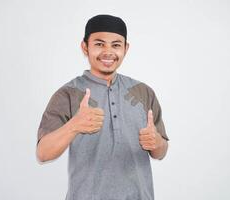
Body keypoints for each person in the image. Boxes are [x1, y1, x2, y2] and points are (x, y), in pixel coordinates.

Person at [36, 14, 169, 200]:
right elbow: (43, 153)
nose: (108, 51)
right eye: (99, 44)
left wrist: (157, 142)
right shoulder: (68, 94)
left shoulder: (143, 92)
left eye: (116, 45)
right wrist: (74, 125)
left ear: (125, 48)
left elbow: (161, 152)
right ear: (85, 47)